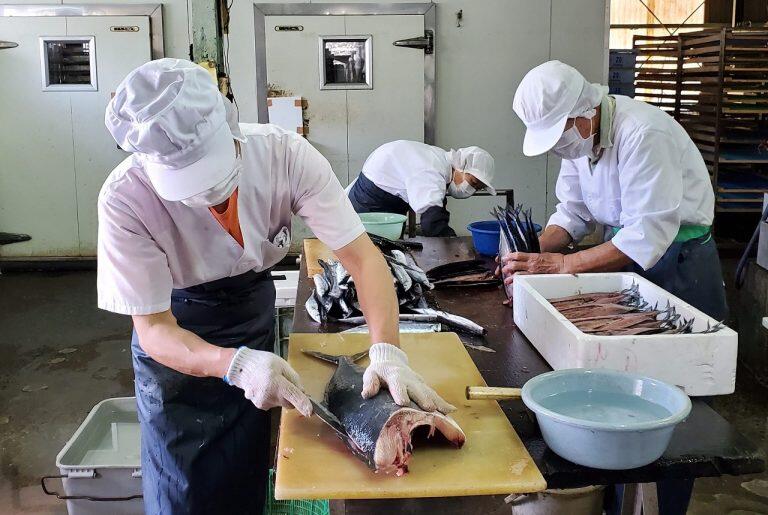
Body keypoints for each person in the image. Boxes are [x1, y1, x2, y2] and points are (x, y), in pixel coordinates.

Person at [97, 59, 454, 514]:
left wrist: (386, 350)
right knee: (182, 487)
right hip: (178, 341)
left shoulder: (285, 155)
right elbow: (152, 328)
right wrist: (233, 365)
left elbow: (363, 259)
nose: (212, 196)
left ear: (228, 124)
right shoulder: (124, 198)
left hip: (250, 311)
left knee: (246, 466)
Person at [502, 60, 727, 321]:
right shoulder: (580, 141)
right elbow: (573, 213)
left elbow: (646, 235)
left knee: (684, 346)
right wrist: (528, 253)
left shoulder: (643, 133)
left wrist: (563, 264)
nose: (558, 147)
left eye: (560, 134)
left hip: (680, 260)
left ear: (586, 111)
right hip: (619, 250)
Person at [347, 140, 495, 237]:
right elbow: (432, 223)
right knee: (371, 254)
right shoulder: (431, 170)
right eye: (473, 182)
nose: (471, 190)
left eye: (477, 188)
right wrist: (455, 246)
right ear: (460, 165)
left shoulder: (443, 164)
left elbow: (437, 203)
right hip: (370, 202)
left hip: (388, 199)